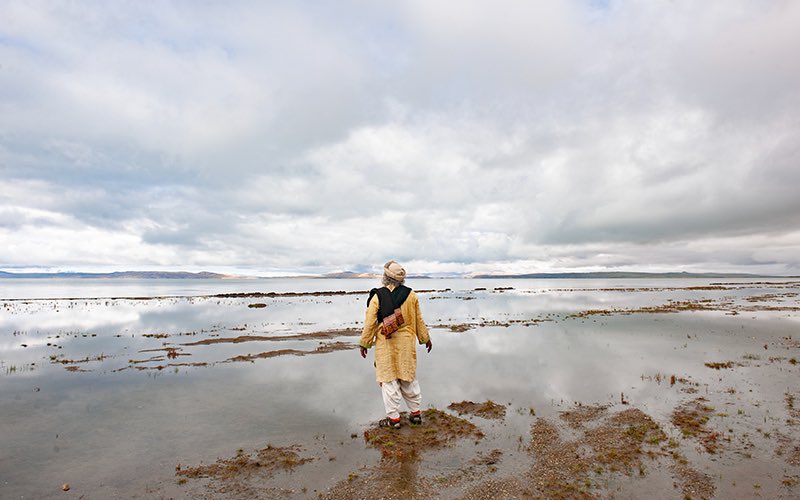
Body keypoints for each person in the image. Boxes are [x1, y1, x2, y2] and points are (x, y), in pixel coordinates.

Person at [360, 260, 432, 429]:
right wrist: (425, 338)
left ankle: (394, 419)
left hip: (386, 342)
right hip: (406, 342)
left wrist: (365, 343)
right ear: (402, 280)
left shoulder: (378, 296)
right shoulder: (411, 295)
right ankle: (415, 414)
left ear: (385, 277)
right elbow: (418, 319)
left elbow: (370, 322)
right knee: (408, 377)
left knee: (389, 379)